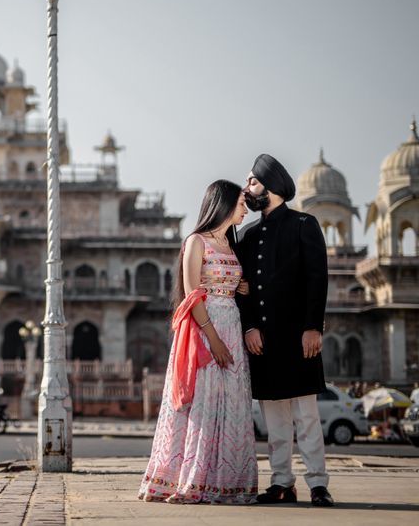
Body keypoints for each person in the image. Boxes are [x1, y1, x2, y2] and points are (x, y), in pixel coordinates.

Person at [138, 180, 257, 504]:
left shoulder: (231, 245)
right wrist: (214, 340)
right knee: (200, 405)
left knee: (230, 407)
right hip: (205, 331)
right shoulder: (197, 241)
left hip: (231, 323)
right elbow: (192, 294)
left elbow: (228, 284)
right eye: (241, 204)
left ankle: (225, 483)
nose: (245, 210)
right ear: (225, 204)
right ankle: (190, 480)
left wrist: (239, 287)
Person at [235, 154, 334, 507]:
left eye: (253, 182)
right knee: (274, 420)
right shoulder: (247, 234)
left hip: (298, 338)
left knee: (306, 417)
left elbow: (316, 279)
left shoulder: (303, 225)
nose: (247, 188)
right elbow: (241, 286)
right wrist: (249, 327)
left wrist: (312, 327)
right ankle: (282, 482)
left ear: (272, 186)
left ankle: (318, 484)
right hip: (264, 341)